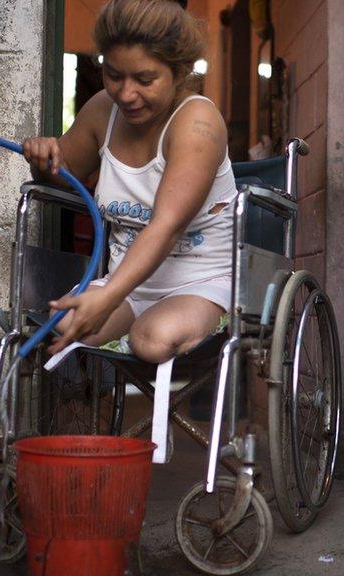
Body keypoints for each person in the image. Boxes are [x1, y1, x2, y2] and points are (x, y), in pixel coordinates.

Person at [21, 0, 234, 364]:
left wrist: (107, 297)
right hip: (131, 284)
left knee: (151, 339)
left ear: (179, 71)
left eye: (145, 79)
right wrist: (44, 160)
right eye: (114, 75)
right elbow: (60, 175)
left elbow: (166, 226)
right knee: (64, 321)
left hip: (201, 282)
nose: (126, 93)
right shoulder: (102, 110)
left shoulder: (198, 122)